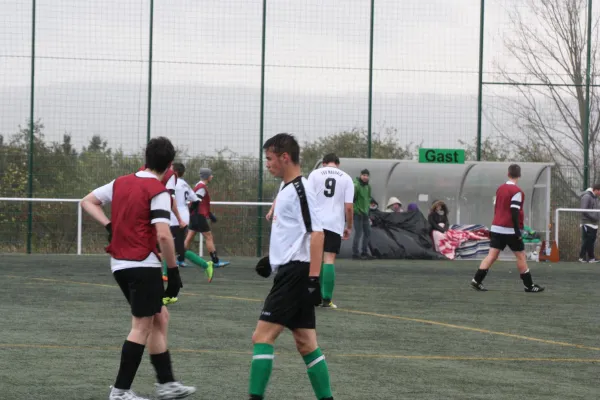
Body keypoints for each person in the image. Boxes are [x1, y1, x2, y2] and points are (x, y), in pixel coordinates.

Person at [81, 137, 196, 400]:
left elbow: (87, 201)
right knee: (141, 326)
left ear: (145, 158)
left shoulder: (120, 182)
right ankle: (120, 391)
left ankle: (166, 383)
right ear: (169, 166)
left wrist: (110, 226)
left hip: (120, 264)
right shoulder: (158, 191)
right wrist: (174, 272)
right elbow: (165, 236)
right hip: (142, 264)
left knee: (160, 317)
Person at [249, 133, 333, 400]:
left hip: (296, 274)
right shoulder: (286, 188)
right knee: (306, 343)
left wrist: (312, 280)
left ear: (285, 157)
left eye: (270, 159)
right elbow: (295, 233)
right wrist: (271, 259)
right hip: (291, 269)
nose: (268, 164)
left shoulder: (301, 189)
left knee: (261, 336)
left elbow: (317, 234)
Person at [470, 164, 545, 293]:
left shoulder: (500, 189)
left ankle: (477, 280)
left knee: (492, 256)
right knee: (521, 256)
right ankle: (529, 285)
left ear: (508, 174)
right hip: (510, 230)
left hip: (496, 228)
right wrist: (518, 231)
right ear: (519, 175)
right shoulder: (517, 192)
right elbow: (514, 212)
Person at [307, 153, 354, 308]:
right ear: (338, 164)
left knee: (314, 258)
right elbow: (348, 207)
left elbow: (307, 199)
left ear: (324, 163)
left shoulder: (314, 174)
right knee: (329, 259)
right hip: (334, 223)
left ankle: (312, 297)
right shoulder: (346, 178)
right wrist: (348, 226)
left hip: (316, 222)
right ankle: (327, 299)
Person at [162, 163, 214, 303]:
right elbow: (195, 200)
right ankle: (166, 274)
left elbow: (168, 199)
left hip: (174, 219)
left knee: (173, 247)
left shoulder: (172, 183)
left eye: (170, 169)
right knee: (175, 247)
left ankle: (204, 265)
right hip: (182, 217)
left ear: (175, 172)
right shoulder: (184, 184)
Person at [185, 168, 230, 268]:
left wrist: (209, 214)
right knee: (208, 237)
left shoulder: (198, 185)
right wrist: (193, 213)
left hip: (194, 216)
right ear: (207, 176)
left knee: (189, 237)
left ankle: (179, 260)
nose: (212, 176)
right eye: (211, 175)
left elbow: (199, 203)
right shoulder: (201, 187)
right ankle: (215, 261)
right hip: (198, 216)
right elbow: (197, 201)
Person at [352, 169, 373, 260]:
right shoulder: (356, 186)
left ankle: (364, 252)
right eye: (363, 175)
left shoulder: (368, 187)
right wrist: (356, 210)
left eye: (367, 175)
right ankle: (355, 253)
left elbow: (368, 199)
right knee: (358, 233)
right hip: (358, 213)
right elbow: (351, 199)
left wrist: (368, 211)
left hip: (365, 213)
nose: (365, 177)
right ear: (360, 175)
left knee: (368, 232)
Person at [579, 183, 600, 263]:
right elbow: (584, 210)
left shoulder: (596, 198)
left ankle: (591, 258)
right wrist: (594, 217)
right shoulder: (587, 196)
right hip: (587, 222)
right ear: (596, 190)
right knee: (588, 240)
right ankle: (582, 256)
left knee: (591, 241)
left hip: (594, 223)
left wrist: (597, 218)